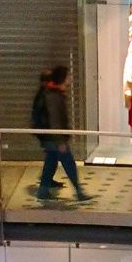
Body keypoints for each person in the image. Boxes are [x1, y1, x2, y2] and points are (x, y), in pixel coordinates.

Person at [30, 65, 91, 203]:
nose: (70, 78)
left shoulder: (53, 93)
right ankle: (79, 192)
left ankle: (43, 191)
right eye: (68, 76)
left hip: (50, 138)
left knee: (51, 162)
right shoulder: (53, 96)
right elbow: (55, 120)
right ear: (63, 78)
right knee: (68, 163)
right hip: (54, 139)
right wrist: (60, 142)